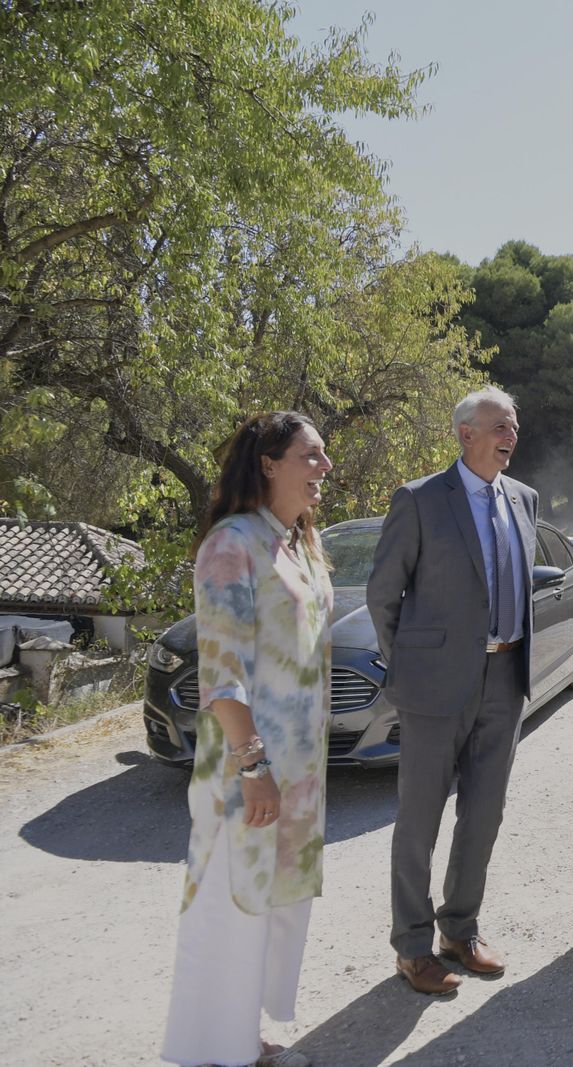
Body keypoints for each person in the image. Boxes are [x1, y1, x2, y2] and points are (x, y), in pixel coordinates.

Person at [161, 412, 335, 1067]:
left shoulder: (299, 543)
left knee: (271, 906)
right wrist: (253, 766)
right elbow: (222, 669)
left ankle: (243, 1040)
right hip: (247, 769)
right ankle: (217, 1050)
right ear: (268, 463)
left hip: (298, 771)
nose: (324, 467)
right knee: (230, 907)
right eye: (310, 455)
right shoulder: (231, 543)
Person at [367, 386, 540, 996]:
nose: (511, 435)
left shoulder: (524, 498)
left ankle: (459, 931)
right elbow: (383, 595)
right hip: (434, 687)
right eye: (500, 426)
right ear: (466, 434)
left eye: (513, 425)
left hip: (505, 677)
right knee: (419, 819)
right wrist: (409, 666)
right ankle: (412, 947)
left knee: (484, 813)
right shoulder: (418, 499)